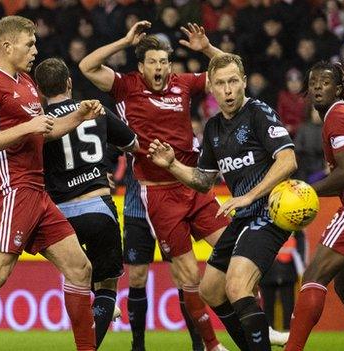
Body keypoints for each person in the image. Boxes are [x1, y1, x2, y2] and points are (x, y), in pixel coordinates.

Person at [0, 16, 104, 351]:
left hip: (37, 193)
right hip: (15, 190)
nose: (35, 50)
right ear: (7, 46)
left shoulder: (26, 82)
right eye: (30, 43)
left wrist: (79, 116)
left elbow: (46, 130)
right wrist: (28, 129)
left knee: (81, 269)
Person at [80, 21, 229, 351]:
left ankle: (209, 340)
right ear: (141, 66)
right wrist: (124, 39)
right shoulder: (125, 86)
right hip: (148, 190)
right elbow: (87, 66)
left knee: (228, 252)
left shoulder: (183, 84)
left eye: (164, 61)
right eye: (154, 62)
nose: (160, 68)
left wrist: (206, 48)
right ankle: (145, 346)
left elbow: (229, 73)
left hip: (192, 183)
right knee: (149, 275)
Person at [148, 53, 297, 351]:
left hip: (271, 211)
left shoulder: (258, 113)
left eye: (232, 81)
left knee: (237, 286)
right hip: (244, 218)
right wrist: (172, 165)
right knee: (211, 290)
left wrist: (249, 196)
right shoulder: (214, 128)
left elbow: (288, 160)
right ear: (212, 90)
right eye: (220, 84)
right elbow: (204, 180)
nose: (228, 89)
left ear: (243, 82)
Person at [34, 57, 139, 348]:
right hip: (97, 206)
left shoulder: (42, 123)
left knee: (74, 272)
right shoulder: (95, 109)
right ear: (69, 82)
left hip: (58, 216)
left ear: (41, 91)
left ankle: (96, 306)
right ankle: (101, 310)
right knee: (107, 288)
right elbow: (133, 143)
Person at [285, 61, 344, 351]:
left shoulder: (337, 116)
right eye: (313, 81)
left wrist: (307, 191)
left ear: (339, 88)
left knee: (313, 276)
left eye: (325, 82)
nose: (317, 86)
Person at [121, 155, 205, 351]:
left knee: (183, 276)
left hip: (168, 208)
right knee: (136, 277)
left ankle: (198, 344)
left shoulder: (170, 127)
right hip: (136, 211)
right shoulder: (129, 125)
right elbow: (111, 143)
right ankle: (138, 346)